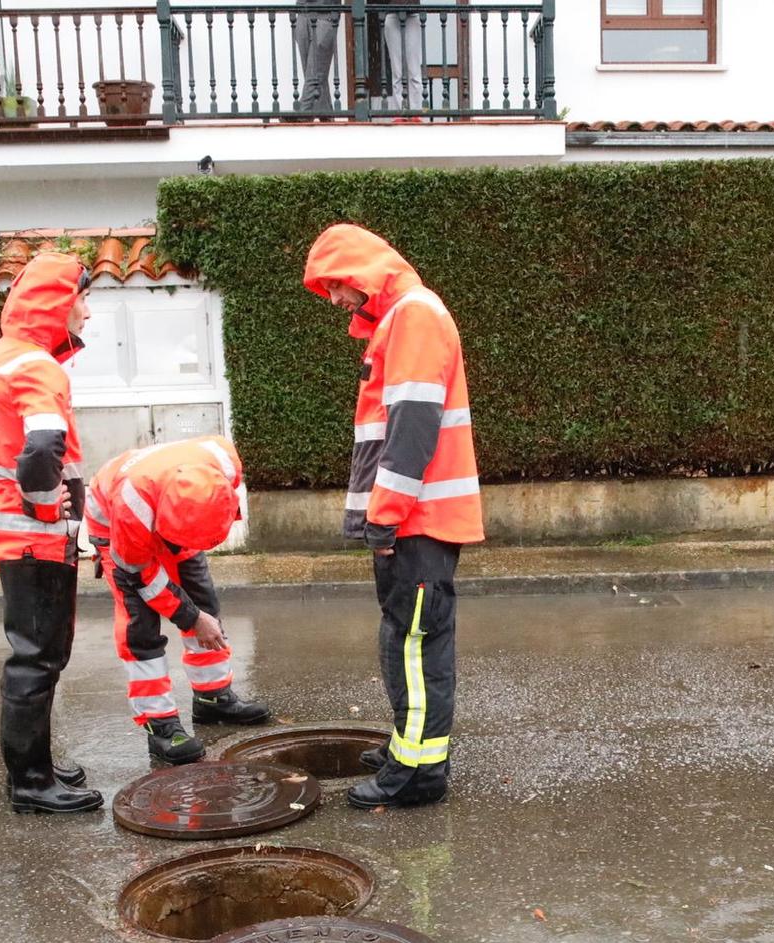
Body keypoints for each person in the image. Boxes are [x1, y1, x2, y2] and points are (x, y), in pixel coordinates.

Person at [303, 223, 482, 809]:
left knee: (414, 645)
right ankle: (410, 749)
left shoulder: (413, 314)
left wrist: (383, 515)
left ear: (362, 270)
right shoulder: (403, 318)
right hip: (414, 518)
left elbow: (411, 427)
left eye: (336, 285)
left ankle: (419, 773)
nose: (333, 300)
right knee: (406, 640)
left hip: (416, 520)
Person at [0, 252, 103, 815]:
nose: (88, 314)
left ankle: (39, 764)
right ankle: (30, 783)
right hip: (35, 540)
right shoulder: (37, 367)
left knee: (38, 656)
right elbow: (44, 447)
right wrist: (50, 514)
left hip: (16, 536)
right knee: (38, 659)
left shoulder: (1, 359)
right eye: (83, 299)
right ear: (57, 304)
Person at [84, 435, 272, 765]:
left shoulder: (223, 464)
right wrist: (190, 617)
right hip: (116, 529)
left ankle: (213, 699)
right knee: (139, 627)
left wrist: (199, 612)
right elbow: (142, 577)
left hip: (165, 505)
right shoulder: (132, 508)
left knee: (204, 602)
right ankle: (161, 726)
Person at [369, 0, 426, 113]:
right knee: (397, 71)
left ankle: (417, 112)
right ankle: (400, 111)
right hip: (392, 15)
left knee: (414, 71)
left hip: (412, 14)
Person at [291, 0, 340, 114]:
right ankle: (328, 118)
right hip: (302, 14)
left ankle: (303, 112)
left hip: (326, 14)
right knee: (315, 77)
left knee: (314, 76)